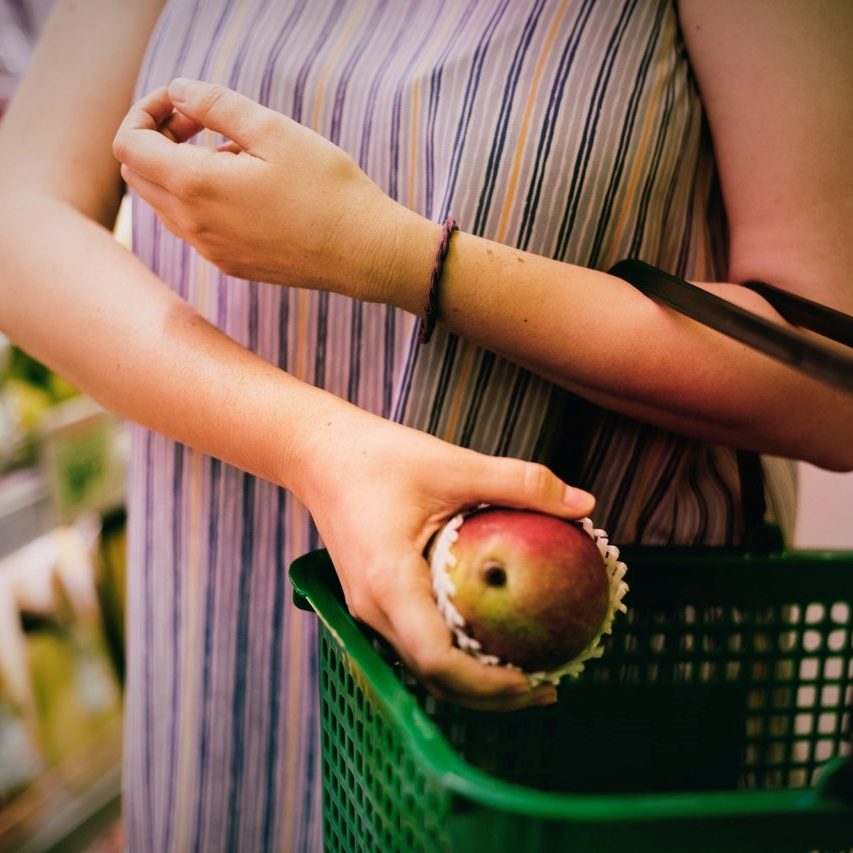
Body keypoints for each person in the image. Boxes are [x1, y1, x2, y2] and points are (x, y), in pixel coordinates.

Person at [1, 0, 850, 849]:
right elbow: (19, 221)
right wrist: (318, 446)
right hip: (221, 635)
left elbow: (831, 380)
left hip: (588, 685)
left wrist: (391, 253)